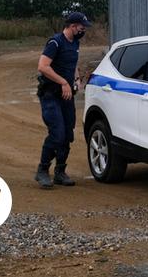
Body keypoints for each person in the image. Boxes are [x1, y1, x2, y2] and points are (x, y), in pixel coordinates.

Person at [34, 12, 91, 189]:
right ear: (73, 26)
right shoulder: (55, 42)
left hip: (66, 96)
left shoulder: (75, 43)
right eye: (82, 27)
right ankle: (42, 170)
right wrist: (63, 82)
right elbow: (42, 66)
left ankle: (60, 172)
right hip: (51, 95)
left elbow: (72, 64)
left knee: (67, 134)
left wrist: (76, 79)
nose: (83, 30)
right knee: (57, 133)